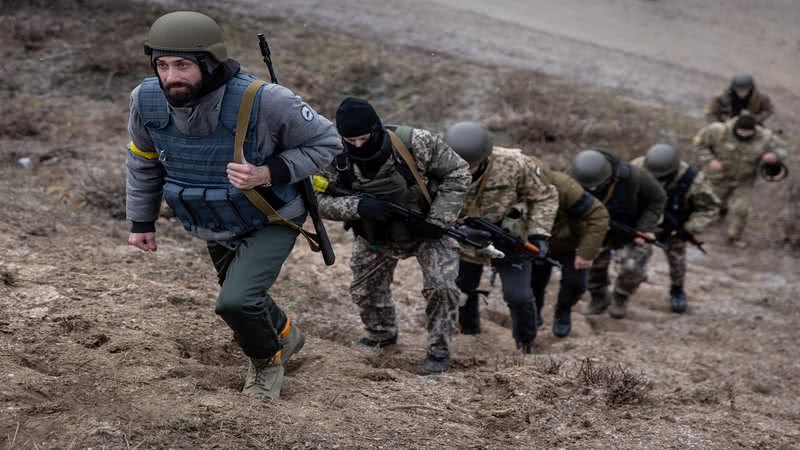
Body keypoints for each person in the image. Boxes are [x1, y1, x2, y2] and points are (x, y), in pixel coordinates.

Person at [125, 11, 342, 399]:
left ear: (209, 62)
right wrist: (142, 220)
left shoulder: (268, 101)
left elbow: (327, 144)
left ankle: (266, 363)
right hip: (210, 216)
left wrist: (269, 171)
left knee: (235, 302)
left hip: (271, 214)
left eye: (183, 65)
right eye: (162, 64)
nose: (170, 76)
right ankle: (288, 336)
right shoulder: (145, 100)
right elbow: (143, 160)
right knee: (240, 293)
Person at [317, 98, 470, 373]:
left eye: (364, 138)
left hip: (427, 229)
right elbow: (316, 199)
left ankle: (439, 350)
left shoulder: (417, 143)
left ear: (376, 128)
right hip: (373, 235)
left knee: (442, 287)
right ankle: (381, 336)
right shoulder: (333, 154)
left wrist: (438, 219)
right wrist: (358, 207)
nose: (358, 146)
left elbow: (458, 172)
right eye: (350, 140)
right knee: (365, 290)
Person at [444, 122, 558, 352]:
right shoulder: (436, 165)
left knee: (519, 297)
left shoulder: (514, 164)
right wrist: (457, 228)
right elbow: (425, 203)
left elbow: (545, 196)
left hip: (510, 236)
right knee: (462, 289)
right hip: (466, 236)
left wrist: (538, 234)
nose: (464, 172)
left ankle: (526, 344)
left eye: (471, 167)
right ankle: (470, 333)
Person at [568, 150, 666, 319]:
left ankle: (621, 296)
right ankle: (599, 296)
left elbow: (658, 198)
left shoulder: (634, 176)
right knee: (588, 261)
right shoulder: (572, 177)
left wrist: (645, 227)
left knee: (632, 265)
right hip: (596, 228)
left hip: (632, 227)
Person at [630, 144, 720, 313]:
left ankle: (677, 290)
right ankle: (624, 289)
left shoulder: (693, 180)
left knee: (677, 260)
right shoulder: (636, 167)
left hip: (675, 228)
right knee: (632, 261)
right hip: (643, 224)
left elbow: (711, 208)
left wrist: (687, 229)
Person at [529, 162, 609, 337]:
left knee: (576, 284)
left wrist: (586, 253)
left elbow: (599, 216)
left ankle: (563, 312)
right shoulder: (519, 188)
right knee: (534, 282)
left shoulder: (565, 188)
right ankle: (533, 316)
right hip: (536, 242)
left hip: (571, 244)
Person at [694, 114, 789, 248]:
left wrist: (774, 156)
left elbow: (783, 149)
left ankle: (734, 237)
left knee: (741, 209)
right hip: (719, 176)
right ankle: (699, 228)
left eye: (748, 132)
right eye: (741, 131)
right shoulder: (718, 130)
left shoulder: (765, 137)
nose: (744, 134)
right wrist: (710, 160)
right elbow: (699, 144)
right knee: (709, 203)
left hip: (744, 180)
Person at [705, 74, 774, 125]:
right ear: (733, 88)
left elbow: (769, 109)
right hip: (726, 124)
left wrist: (755, 119)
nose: (741, 93)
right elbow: (710, 113)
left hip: (750, 125)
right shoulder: (719, 98)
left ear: (751, 88)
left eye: (745, 90)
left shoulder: (761, 98)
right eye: (738, 90)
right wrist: (718, 125)